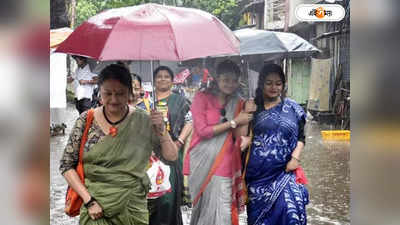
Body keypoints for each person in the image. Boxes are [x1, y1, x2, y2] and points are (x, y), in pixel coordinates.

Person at [59, 64, 178, 225]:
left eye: (120, 94)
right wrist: (89, 201)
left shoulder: (144, 120)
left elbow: (171, 156)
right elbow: (66, 165)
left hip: (132, 209)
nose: (113, 100)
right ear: (99, 92)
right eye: (108, 93)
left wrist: (162, 130)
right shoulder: (86, 120)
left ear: (129, 93)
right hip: (95, 210)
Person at [183, 60, 254, 225]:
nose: (230, 84)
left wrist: (247, 112)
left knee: (223, 213)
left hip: (226, 161)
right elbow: (202, 131)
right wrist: (234, 122)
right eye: (226, 79)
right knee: (201, 211)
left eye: (234, 80)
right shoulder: (201, 97)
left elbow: (240, 137)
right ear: (217, 78)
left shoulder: (239, 102)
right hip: (201, 161)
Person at [244, 63, 309, 225]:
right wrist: (246, 113)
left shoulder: (293, 108)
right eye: (269, 83)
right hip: (257, 177)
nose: (274, 87)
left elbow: (301, 137)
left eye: (278, 83)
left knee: (290, 213)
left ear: (283, 85)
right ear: (261, 84)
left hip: (284, 172)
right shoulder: (252, 107)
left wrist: (295, 158)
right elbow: (242, 139)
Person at [148, 65, 192, 225]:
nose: (163, 79)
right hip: (149, 155)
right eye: (159, 76)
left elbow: (190, 121)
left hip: (171, 152)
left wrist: (179, 141)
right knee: (151, 197)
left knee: (168, 196)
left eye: (167, 76)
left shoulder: (179, 100)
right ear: (154, 80)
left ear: (172, 81)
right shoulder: (147, 101)